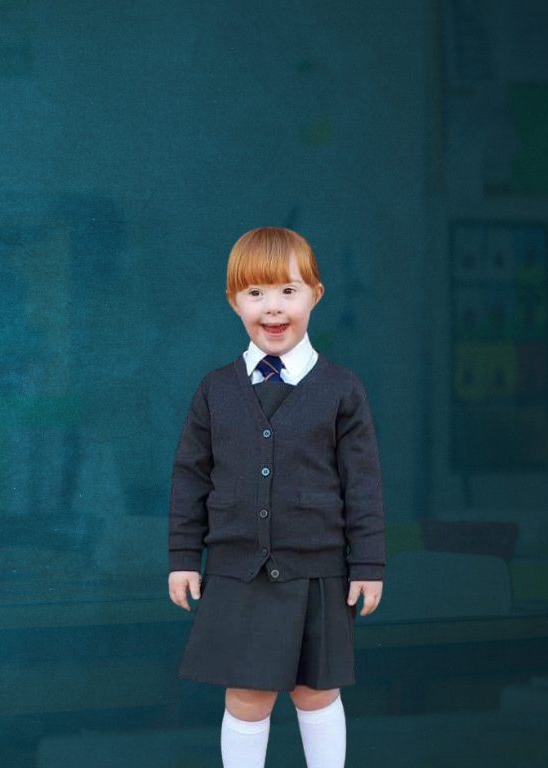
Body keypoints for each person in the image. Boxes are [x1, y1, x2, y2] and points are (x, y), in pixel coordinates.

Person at [166, 226, 385, 768]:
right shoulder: (215, 390)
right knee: (246, 695)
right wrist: (181, 559)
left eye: (289, 291)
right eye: (256, 293)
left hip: (317, 569)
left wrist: (369, 564)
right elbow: (190, 478)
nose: (273, 308)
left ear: (316, 294)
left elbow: (363, 483)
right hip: (238, 568)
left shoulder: (342, 389)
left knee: (317, 691)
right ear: (232, 301)